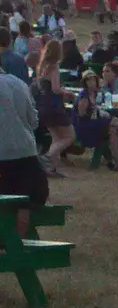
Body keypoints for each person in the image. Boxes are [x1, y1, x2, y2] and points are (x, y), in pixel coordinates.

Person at [0, 58, 43, 236]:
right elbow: (34, 121)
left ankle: (10, 247)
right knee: (23, 201)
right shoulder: (19, 84)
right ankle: (18, 244)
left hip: (3, 155)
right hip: (26, 152)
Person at [35, 39, 75, 176]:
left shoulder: (42, 67)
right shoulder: (54, 67)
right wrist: (68, 92)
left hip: (43, 105)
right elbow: (56, 89)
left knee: (57, 138)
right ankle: (46, 157)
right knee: (69, 136)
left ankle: (51, 169)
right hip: (54, 106)